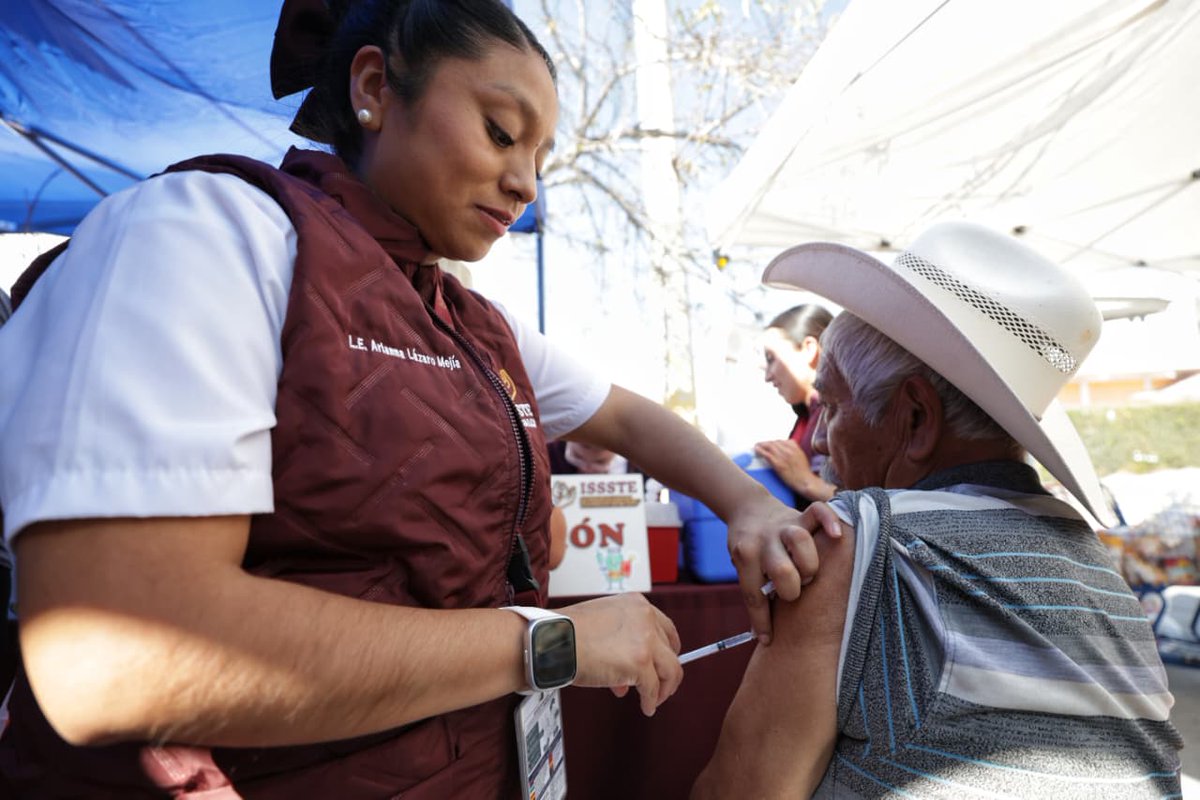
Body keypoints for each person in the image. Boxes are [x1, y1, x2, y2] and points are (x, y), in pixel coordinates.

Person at [0, 2, 819, 796]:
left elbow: (625, 413)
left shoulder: (469, 323)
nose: (524, 181)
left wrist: (746, 502)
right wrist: (548, 644)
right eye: (502, 132)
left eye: (542, 157)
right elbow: (115, 655)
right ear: (374, 90)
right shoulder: (208, 234)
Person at [694, 222, 1182, 798]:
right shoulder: (1101, 574)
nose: (819, 439)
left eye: (833, 405)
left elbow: (741, 791)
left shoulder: (861, 540)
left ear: (917, 420)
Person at [754, 303, 838, 505]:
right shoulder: (806, 419)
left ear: (809, 349)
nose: (768, 376)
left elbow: (876, 504)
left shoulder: (849, 415)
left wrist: (807, 482)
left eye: (771, 359)